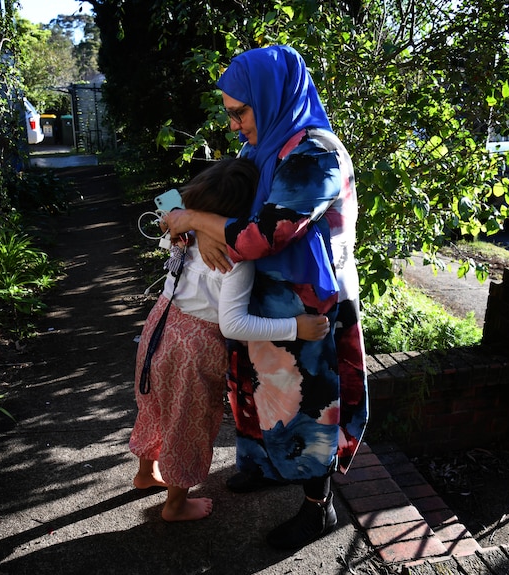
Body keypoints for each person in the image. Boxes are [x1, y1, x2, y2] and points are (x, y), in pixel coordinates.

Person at [164, 45, 369, 548]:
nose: (234, 125)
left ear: (272, 97)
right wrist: (189, 218)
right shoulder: (264, 146)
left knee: (309, 407)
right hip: (262, 297)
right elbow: (203, 202)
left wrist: (192, 222)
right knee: (255, 393)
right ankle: (262, 465)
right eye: (230, 113)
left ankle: (317, 507)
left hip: (308, 309)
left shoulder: (313, 153)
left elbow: (264, 235)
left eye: (240, 111)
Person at [129, 157, 331, 523]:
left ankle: (146, 472)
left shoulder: (181, 232)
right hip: (195, 347)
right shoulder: (236, 259)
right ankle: (175, 505)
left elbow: (167, 217)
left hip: (160, 326)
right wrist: (294, 328)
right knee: (188, 421)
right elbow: (234, 324)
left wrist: (183, 220)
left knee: (155, 401)